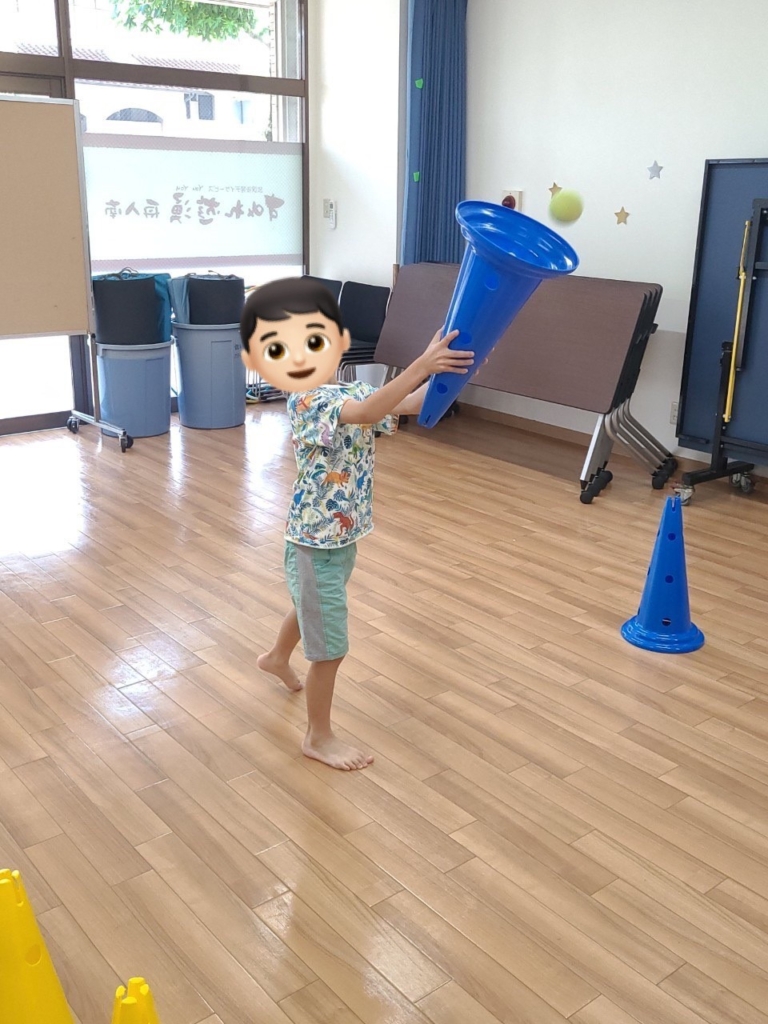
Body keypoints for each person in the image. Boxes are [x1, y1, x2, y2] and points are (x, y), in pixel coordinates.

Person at [240, 276, 473, 770]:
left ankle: (276, 658)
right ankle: (318, 737)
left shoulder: (350, 389)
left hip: (341, 538)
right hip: (314, 543)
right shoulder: (306, 401)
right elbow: (368, 411)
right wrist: (421, 365)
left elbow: (406, 404)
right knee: (330, 647)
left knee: (312, 609)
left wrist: (456, 370)